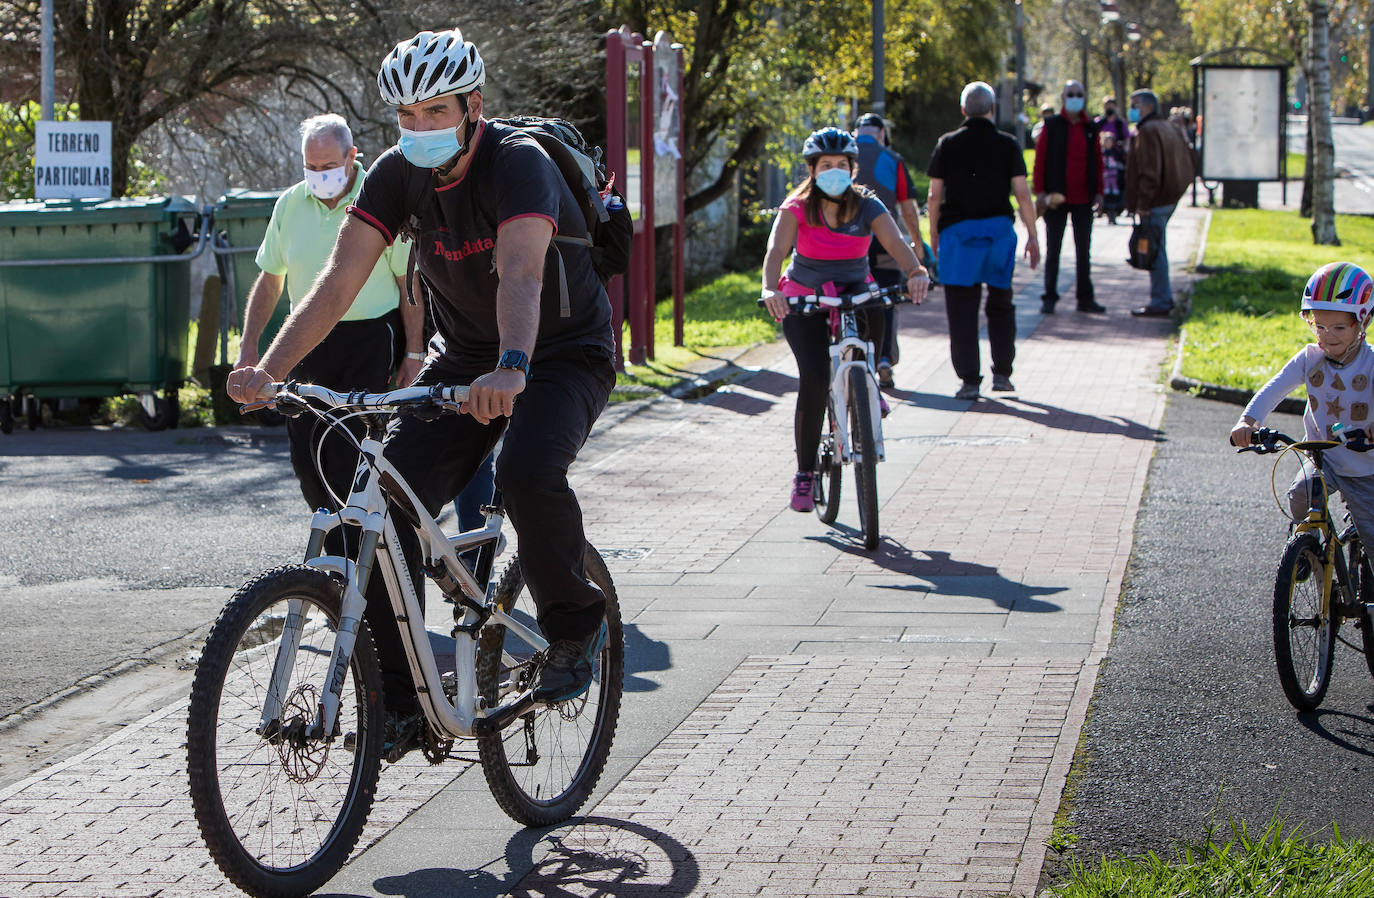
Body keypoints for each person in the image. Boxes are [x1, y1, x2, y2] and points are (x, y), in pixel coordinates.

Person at [227, 28, 618, 740]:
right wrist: (270, 369)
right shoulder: (395, 174)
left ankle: (573, 626)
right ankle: (405, 703)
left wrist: (513, 366)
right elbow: (336, 283)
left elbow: (523, 271)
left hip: (560, 353)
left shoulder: (517, 164)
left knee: (529, 474)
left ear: (473, 105)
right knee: (376, 512)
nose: (419, 128)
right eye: (406, 116)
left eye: (435, 111)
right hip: (468, 357)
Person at [235, 113, 424, 521]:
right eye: (311, 167)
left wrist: (414, 352)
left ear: (352, 156)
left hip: (370, 338)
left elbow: (407, 284)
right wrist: (249, 345)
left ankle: (362, 546)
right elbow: (270, 282)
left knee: (350, 451)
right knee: (305, 455)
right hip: (305, 339)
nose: (319, 175)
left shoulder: (379, 198)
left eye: (328, 166)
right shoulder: (289, 204)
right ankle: (334, 552)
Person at [761, 127, 929, 513]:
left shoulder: (868, 206)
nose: (834, 171)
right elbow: (776, 252)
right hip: (806, 296)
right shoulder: (797, 207)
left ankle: (868, 383)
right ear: (812, 169)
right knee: (816, 377)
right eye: (825, 165)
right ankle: (804, 474)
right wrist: (772, 289)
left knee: (879, 306)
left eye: (841, 165)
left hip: (856, 290)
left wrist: (916, 272)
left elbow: (897, 244)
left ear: (853, 168)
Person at [1230, 263, 1374, 537]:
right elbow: (1275, 387)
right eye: (1319, 326)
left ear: (1363, 321)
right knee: (1299, 495)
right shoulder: (1310, 359)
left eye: (1339, 327)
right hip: (1324, 459)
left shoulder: (1370, 364)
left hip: (1366, 465)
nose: (1327, 336)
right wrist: (1247, 421)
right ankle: (1307, 546)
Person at [927, 81, 1040, 401]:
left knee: (961, 310)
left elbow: (935, 195)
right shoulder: (1007, 144)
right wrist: (1032, 235)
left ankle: (969, 380)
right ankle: (1002, 374)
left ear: (963, 110)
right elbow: (1021, 193)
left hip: (958, 235)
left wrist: (934, 237)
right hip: (997, 234)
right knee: (1001, 304)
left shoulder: (947, 144)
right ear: (993, 109)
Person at [852, 111, 928, 389]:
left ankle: (855, 355)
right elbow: (908, 209)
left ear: (855, 133)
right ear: (882, 134)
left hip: (849, 245)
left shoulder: (843, 159)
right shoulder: (893, 160)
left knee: (850, 298)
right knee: (886, 297)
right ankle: (884, 357)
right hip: (885, 242)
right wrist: (917, 246)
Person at [1033, 80, 1104, 315]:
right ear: (1063, 98)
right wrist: (1040, 192)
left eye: (1079, 94)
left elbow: (1098, 162)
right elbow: (1040, 160)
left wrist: (1100, 193)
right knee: (1053, 250)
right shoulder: (1051, 126)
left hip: (1083, 199)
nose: (1075, 97)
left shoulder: (1091, 128)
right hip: (1056, 199)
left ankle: (1085, 298)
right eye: (1070, 94)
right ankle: (1049, 297)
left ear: (1083, 97)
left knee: (1084, 252)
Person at [1125, 88, 1195, 318]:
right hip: (1169, 197)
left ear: (1147, 107)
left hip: (1156, 201)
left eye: (1135, 105)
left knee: (1155, 251)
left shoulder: (1147, 131)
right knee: (1158, 248)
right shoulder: (1167, 127)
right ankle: (1162, 298)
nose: (1132, 109)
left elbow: (1149, 171)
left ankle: (1161, 300)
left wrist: (1143, 202)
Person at [1099, 130, 1126, 225]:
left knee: (1115, 198)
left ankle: (1113, 215)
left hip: (1115, 180)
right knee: (1106, 197)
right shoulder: (1101, 152)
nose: (1108, 143)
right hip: (1104, 180)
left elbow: (1122, 165)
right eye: (1106, 141)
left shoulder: (1117, 153)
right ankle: (1107, 214)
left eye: (1110, 141)